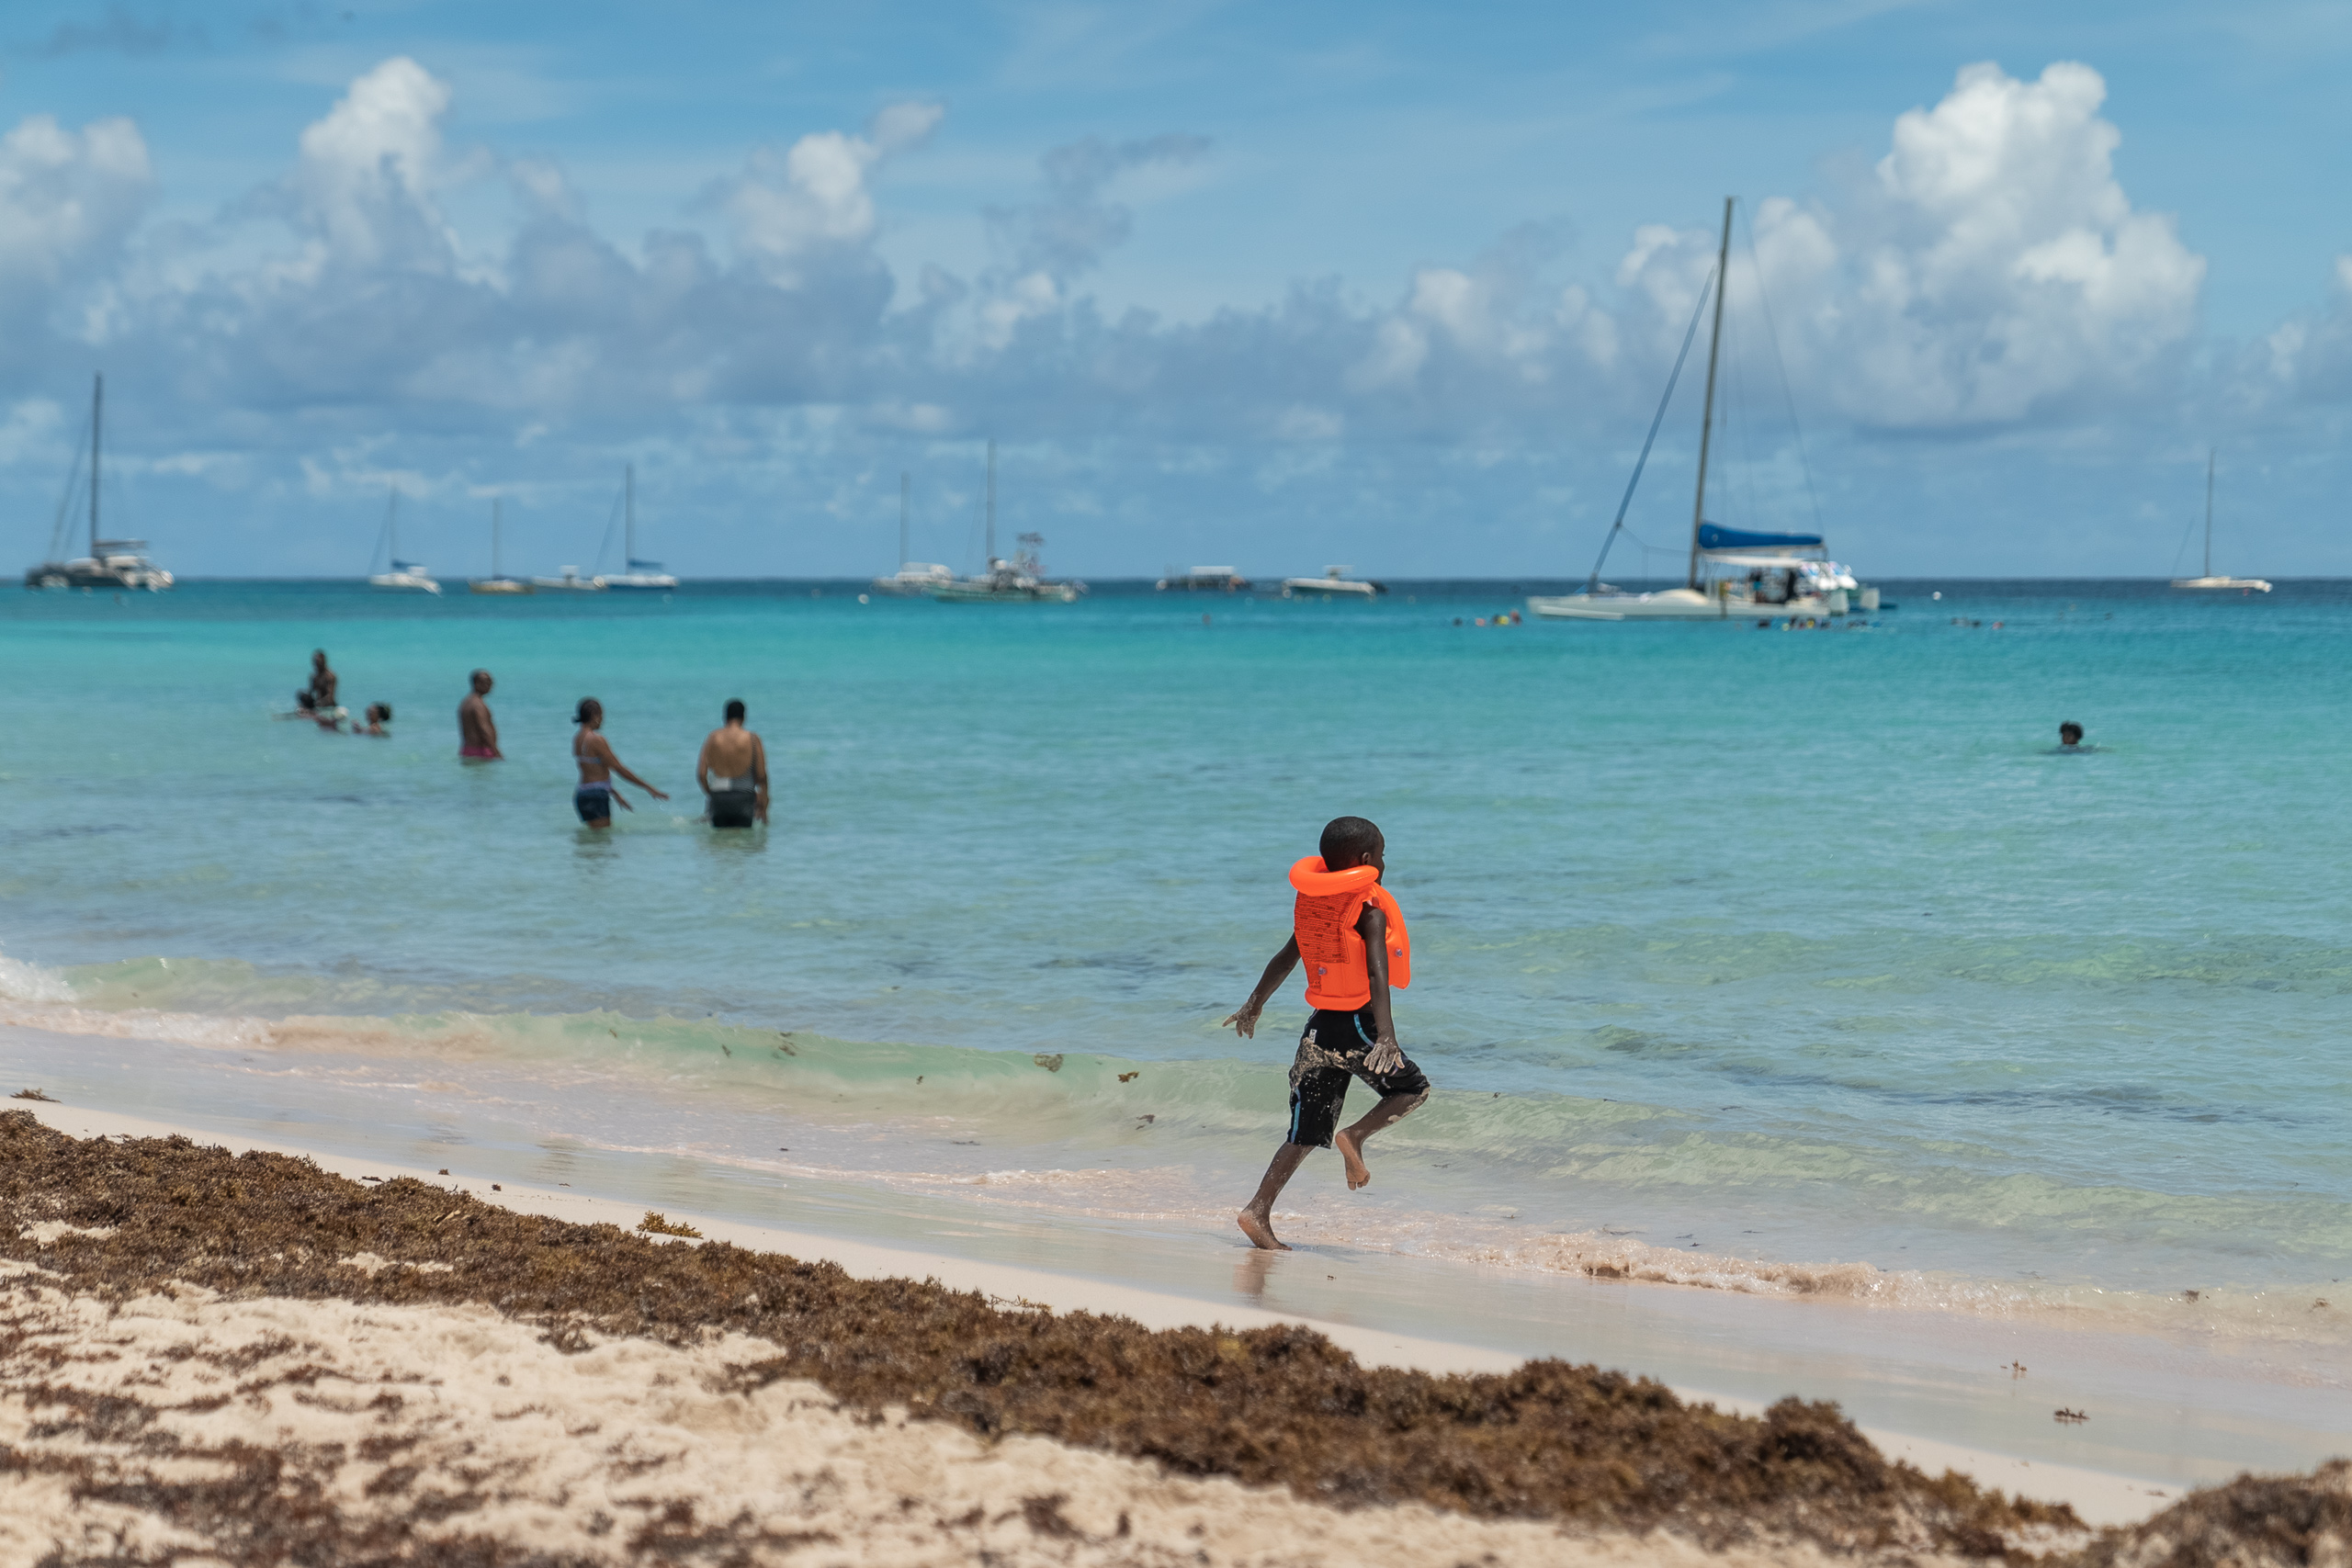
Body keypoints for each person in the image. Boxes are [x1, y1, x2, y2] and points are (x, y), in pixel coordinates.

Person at [1220, 815, 1431, 1251]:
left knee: (1303, 1132)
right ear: (1367, 860)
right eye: (1383, 855)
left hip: (1317, 1031)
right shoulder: (1367, 911)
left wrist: (1253, 1004)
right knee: (1413, 1089)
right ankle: (1354, 1136)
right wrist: (1386, 1037)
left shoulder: (1314, 906)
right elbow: (1377, 974)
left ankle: (1257, 1211)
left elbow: (1285, 957)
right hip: (1358, 1025)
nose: (1384, 862)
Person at [571, 697, 667, 828]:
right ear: (595, 715)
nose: (603, 720)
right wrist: (648, 787)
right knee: (602, 844)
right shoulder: (596, 739)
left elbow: (592, 771)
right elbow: (618, 768)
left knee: (594, 844)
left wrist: (614, 793)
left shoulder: (577, 739)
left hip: (582, 795)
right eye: (602, 715)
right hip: (596, 797)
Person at [695, 699, 769, 829]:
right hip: (744, 797)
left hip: (718, 796)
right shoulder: (752, 739)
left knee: (720, 843)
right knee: (742, 843)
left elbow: (701, 774)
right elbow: (761, 776)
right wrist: (763, 804)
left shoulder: (713, 738)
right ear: (744, 717)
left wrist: (711, 794)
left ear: (725, 716)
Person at [458, 671, 501, 760]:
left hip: (467, 750)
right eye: (486, 681)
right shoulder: (478, 705)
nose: (490, 685)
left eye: (491, 682)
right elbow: (484, 730)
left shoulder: (466, 702)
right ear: (476, 683)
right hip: (481, 751)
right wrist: (496, 752)